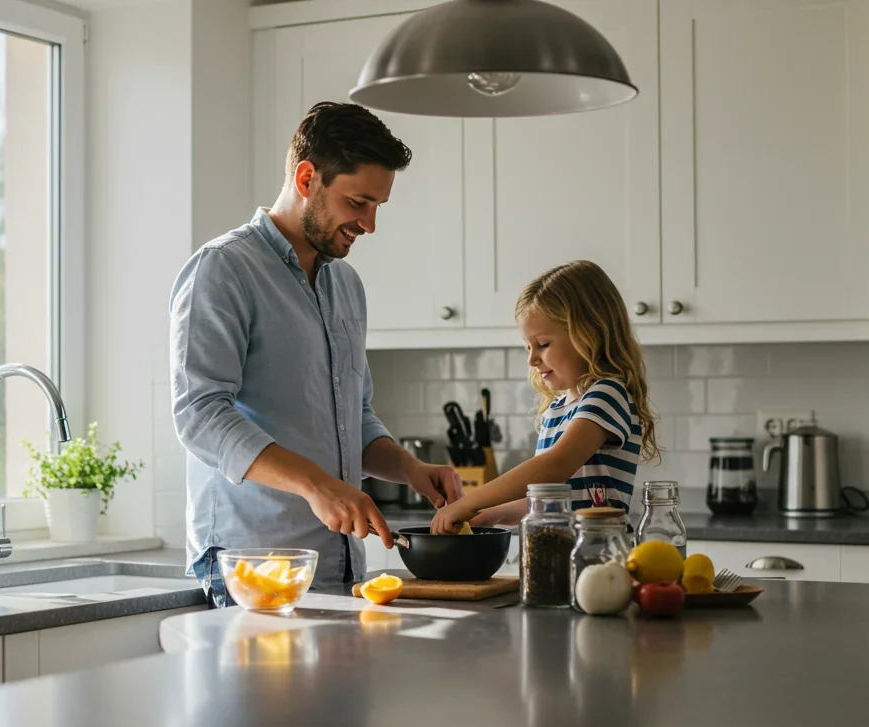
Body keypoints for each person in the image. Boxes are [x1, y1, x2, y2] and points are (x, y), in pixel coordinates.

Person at [171, 101, 463, 607]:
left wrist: (410, 468)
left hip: (339, 567)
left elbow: (356, 421)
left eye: (377, 206)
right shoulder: (223, 270)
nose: (369, 224)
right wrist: (317, 486)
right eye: (358, 203)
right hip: (256, 571)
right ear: (307, 179)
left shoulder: (346, 285)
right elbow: (199, 415)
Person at [431, 260, 660, 534]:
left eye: (543, 344)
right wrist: (488, 516)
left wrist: (466, 503)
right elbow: (543, 501)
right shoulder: (556, 410)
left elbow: (554, 467)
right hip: (557, 556)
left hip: (600, 557)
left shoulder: (607, 395)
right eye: (528, 346)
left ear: (590, 334)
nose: (532, 359)